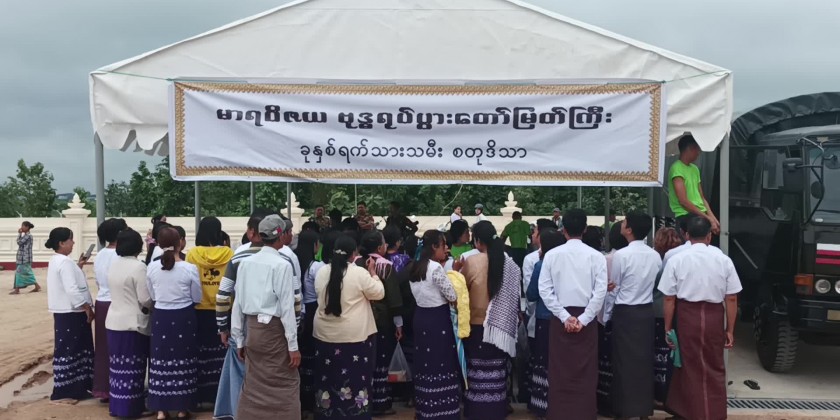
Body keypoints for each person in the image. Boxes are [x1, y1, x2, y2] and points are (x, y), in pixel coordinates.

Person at [658, 217, 741, 420]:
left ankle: (691, 413)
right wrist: (730, 330)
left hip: (687, 316)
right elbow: (731, 298)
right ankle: (714, 414)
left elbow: (669, 298)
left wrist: (668, 328)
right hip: (714, 316)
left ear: (686, 235)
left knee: (689, 366)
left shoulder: (677, 260)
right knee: (715, 365)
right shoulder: (723, 260)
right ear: (709, 236)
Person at [230, 215, 303, 420]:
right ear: (280, 236)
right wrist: (293, 345)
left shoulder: (245, 263)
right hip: (274, 332)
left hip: (253, 332)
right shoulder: (282, 265)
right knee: (286, 382)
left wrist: (239, 339)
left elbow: (237, 303)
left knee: (253, 383)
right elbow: (287, 308)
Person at [537, 209, 608, 419]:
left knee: (560, 371)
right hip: (585, 320)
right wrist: (584, 319)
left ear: (563, 229)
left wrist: (564, 317)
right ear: (585, 229)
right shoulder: (596, 256)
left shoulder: (552, 255)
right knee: (585, 372)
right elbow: (600, 292)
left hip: (562, 320)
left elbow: (544, 290)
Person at [313, 235, 384, 420]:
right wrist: (373, 272)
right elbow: (379, 293)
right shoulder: (359, 273)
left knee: (328, 379)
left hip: (325, 336)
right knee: (356, 380)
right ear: (354, 254)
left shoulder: (322, 272)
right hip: (354, 338)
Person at [461, 221, 521, 419]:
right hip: (500, 328)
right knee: (497, 371)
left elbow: (460, 292)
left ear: (478, 241)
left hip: (477, 326)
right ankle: (496, 409)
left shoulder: (472, 262)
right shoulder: (510, 263)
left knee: (477, 371)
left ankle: (477, 411)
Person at [214, 212, 266, 420]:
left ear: (251, 232)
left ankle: (238, 414)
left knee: (239, 373)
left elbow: (223, 295)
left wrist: (222, 327)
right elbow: (295, 299)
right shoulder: (285, 258)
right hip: (274, 329)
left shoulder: (238, 258)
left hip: (242, 326)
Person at [609, 212, 661, 419]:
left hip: (625, 312)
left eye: (624, 222)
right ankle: (643, 410)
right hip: (645, 311)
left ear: (629, 230)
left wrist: (608, 313)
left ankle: (624, 410)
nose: (622, 224)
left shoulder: (622, 255)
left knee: (623, 362)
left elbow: (614, 286)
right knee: (644, 361)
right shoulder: (655, 255)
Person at [147, 227, 201, 420]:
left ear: (159, 244)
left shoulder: (152, 267)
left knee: (161, 359)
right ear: (180, 243)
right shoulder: (189, 268)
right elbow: (197, 297)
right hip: (183, 317)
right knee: (183, 357)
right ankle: (182, 408)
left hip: (161, 316)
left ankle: (161, 409)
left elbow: (152, 295)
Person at [409, 230, 460, 420]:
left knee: (425, 363)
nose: (446, 249)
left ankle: (426, 408)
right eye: (443, 245)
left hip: (421, 317)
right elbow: (452, 295)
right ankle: (442, 411)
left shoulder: (415, 266)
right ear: (433, 247)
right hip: (437, 319)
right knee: (441, 362)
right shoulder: (435, 268)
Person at [186, 216, 235, 406]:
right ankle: (219, 395)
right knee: (221, 353)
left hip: (199, 310)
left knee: (201, 353)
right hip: (223, 310)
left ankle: (201, 394)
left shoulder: (192, 254)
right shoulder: (229, 253)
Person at [355, 230, 404, 416]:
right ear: (379, 247)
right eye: (384, 243)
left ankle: (364, 401)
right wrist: (398, 324)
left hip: (361, 319)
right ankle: (381, 403)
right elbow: (394, 299)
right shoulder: (386, 266)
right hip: (382, 320)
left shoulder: (356, 263)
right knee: (382, 360)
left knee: (366, 360)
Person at [105, 229, 152, 418]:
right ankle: (132, 409)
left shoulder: (114, 264)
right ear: (138, 246)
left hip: (113, 322)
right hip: (133, 324)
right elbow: (145, 298)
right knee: (133, 369)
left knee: (118, 369)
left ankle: (117, 407)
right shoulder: (139, 267)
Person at [46, 227, 94, 403]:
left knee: (75, 349)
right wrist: (86, 307)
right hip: (72, 311)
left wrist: (78, 265)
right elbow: (72, 289)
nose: (73, 243)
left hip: (65, 310)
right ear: (61, 243)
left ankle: (77, 388)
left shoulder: (57, 260)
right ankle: (65, 391)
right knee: (71, 349)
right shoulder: (65, 263)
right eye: (70, 240)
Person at [525, 229, 565, 419]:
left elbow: (531, 294)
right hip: (565, 318)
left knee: (543, 360)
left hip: (544, 317)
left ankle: (542, 406)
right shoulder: (567, 265)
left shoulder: (541, 265)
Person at [301, 231, 338, 415]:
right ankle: (315, 400)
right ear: (314, 245)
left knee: (306, 356)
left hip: (305, 312)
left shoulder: (300, 262)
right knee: (315, 357)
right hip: (315, 309)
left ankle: (305, 399)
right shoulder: (318, 267)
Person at [92, 218, 127, 402]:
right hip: (117, 302)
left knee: (103, 347)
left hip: (101, 302)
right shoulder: (120, 256)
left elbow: (98, 281)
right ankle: (119, 387)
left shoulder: (100, 255)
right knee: (119, 347)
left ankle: (103, 388)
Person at [595, 222, 629, 417]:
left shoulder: (607, 259)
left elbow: (606, 291)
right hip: (626, 315)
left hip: (604, 317)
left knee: (604, 360)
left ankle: (604, 400)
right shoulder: (635, 257)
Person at [652, 227, 684, 406]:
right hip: (674, 311)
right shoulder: (680, 260)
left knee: (657, 353)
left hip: (657, 311)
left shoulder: (660, 262)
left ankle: (658, 391)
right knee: (671, 352)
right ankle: (670, 391)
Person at [669, 134, 720, 236]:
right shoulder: (676, 168)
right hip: (686, 214)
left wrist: (712, 217)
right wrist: (708, 218)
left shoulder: (695, 169)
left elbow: (701, 197)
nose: (698, 153)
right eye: (697, 149)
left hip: (700, 214)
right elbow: (683, 201)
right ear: (690, 148)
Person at [12, 221, 40, 294]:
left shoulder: (28, 236)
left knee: (19, 273)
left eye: (23, 226)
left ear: (27, 227)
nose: (21, 227)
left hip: (24, 258)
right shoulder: (26, 235)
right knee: (28, 273)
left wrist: (19, 234)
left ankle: (17, 289)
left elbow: (19, 242)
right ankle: (37, 286)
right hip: (23, 258)